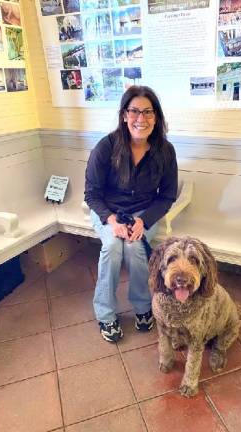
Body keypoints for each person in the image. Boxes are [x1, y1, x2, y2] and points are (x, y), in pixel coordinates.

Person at [84, 85, 178, 342]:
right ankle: (105, 314)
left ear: (156, 117)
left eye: (148, 112)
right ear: (124, 115)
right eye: (134, 111)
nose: (141, 118)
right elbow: (92, 194)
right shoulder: (106, 147)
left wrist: (143, 221)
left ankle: (142, 308)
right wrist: (111, 220)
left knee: (135, 248)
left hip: (143, 212)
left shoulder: (165, 151)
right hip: (107, 212)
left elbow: (167, 196)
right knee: (113, 246)